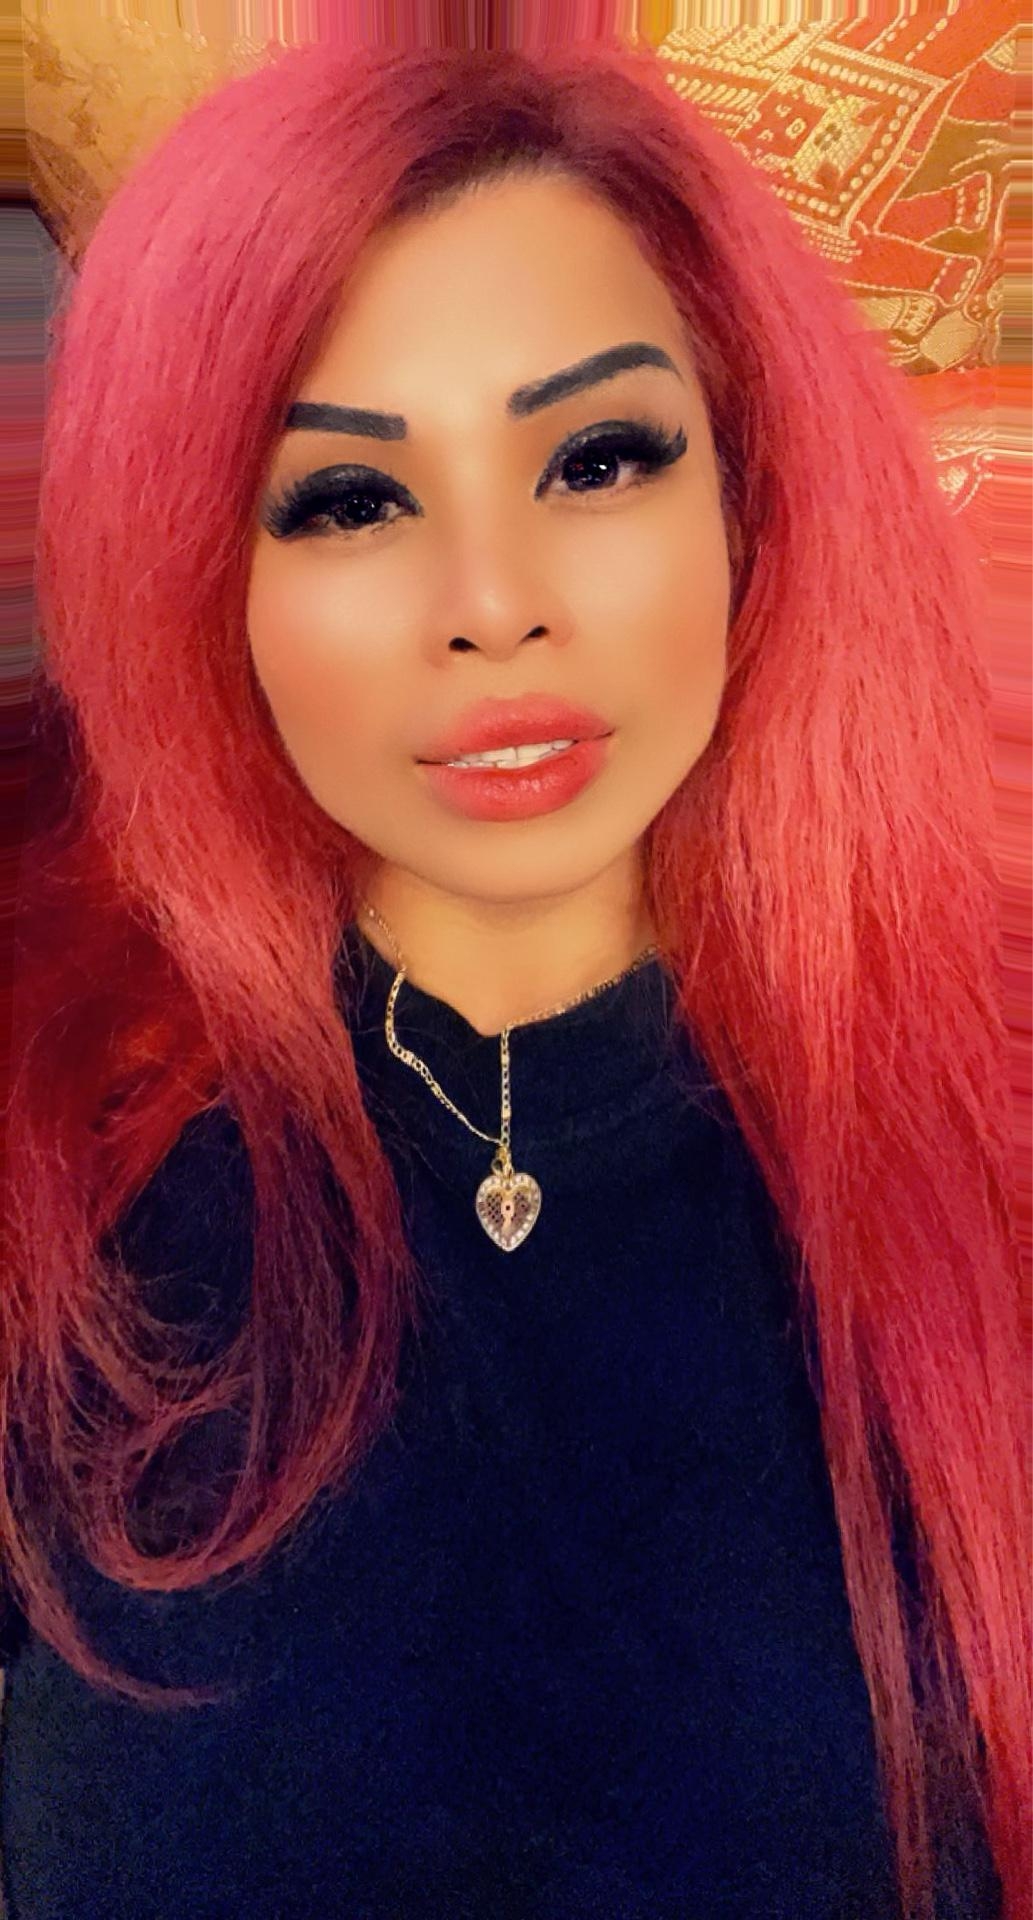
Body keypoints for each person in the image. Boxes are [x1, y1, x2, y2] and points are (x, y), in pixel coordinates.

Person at [1, 37, 1028, 1920]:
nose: (494, 602)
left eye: (597, 457)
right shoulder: (55, 1177)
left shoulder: (993, 1145)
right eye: (346, 498)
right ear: (198, 574)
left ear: (749, 497)